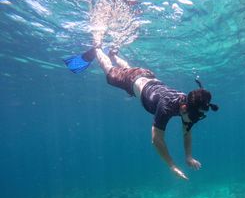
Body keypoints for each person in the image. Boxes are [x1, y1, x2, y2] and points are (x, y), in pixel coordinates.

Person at [63, 47, 219, 180]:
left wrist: (188, 156)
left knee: (129, 70)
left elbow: (187, 132)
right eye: (194, 117)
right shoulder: (166, 107)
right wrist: (171, 165)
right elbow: (156, 140)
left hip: (147, 75)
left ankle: (114, 54)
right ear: (184, 108)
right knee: (110, 73)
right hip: (133, 79)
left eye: (198, 117)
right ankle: (98, 49)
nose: (194, 120)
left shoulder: (192, 107)